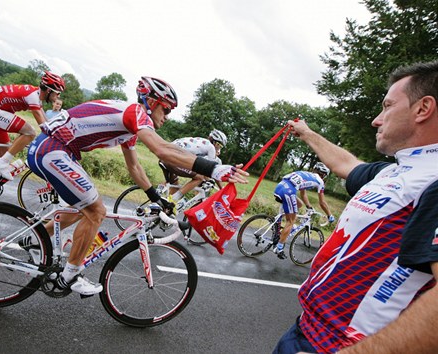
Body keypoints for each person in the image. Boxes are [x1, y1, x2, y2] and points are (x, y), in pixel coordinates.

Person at [26, 76, 249, 296]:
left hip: (53, 150)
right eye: (167, 109)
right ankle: (70, 275)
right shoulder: (136, 113)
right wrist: (214, 169)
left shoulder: (129, 125)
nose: (168, 117)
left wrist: (156, 198)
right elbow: (162, 149)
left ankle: (34, 240)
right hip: (53, 150)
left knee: (83, 207)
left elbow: (134, 167)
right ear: (152, 102)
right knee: (96, 211)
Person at [273, 60, 438, 354]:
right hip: (304, 330)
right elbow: (346, 164)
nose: (376, 119)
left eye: (387, 106)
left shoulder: (433, 181)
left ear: (423, 109)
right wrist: (307, 132)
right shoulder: (394, 172)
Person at [0, 70, 65, 180]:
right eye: (57, 93)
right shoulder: (33, 96)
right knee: (30, 132)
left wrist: (59, 131)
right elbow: (43, 126)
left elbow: (48, 122)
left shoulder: (36, 96)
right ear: (49, 91)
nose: (58, 96)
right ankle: (3, 163)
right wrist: (54, 139)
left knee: (4, 152)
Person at [272, 162, 335, 259]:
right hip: (289, 191)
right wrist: (329, 215)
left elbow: (303, 194)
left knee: (299, 204)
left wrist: (309, 206)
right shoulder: (320, 182)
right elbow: (322, 202)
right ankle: (279, 248)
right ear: (324, 175)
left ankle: (279, 222)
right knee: (291, 221)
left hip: (280, 186)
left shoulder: (306, 174)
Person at [159, 129, 227, 210]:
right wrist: (220, 188)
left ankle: (161, 205)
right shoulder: (210, 147)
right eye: (219, 145)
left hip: (164, 156)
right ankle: (174, 199)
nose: (219, 148)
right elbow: (211, 169)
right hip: (173, 159)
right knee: (199, 178)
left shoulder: (201, 142)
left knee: (174, 186)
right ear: (214, 142)